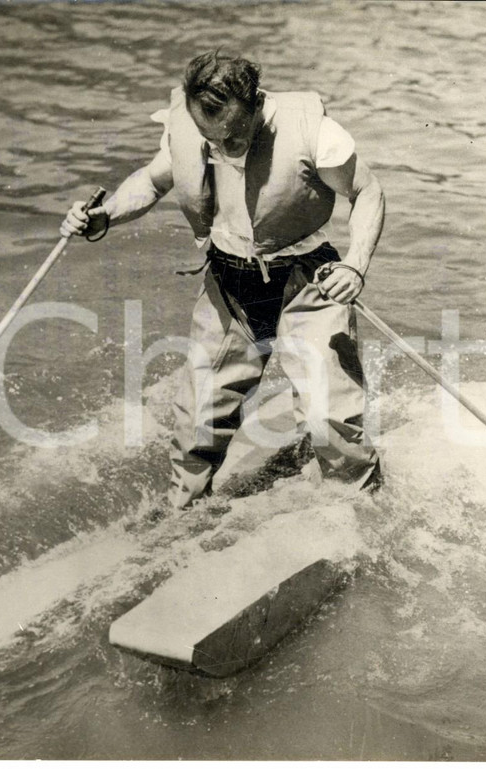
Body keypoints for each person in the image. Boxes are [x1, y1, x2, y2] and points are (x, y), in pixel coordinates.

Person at [61, 51, 384, 509]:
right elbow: (153, 181)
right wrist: (104, 214)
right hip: (229, 283)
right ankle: (184, 514)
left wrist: (355, 265)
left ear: (256, 103)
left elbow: (367, 190)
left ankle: (359, 506)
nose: (222, 146)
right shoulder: (192, 125)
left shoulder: (312, 130)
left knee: (330, 420)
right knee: (197, 420)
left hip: (308, 280)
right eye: (211, 137)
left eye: (234, 135)